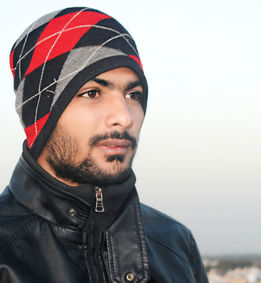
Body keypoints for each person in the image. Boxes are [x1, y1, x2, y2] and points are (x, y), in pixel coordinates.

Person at [0, 7, 208, 283]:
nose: (123, 116)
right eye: (93, 93)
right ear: (40, 116)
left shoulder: (176, 245)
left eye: (133, 94)